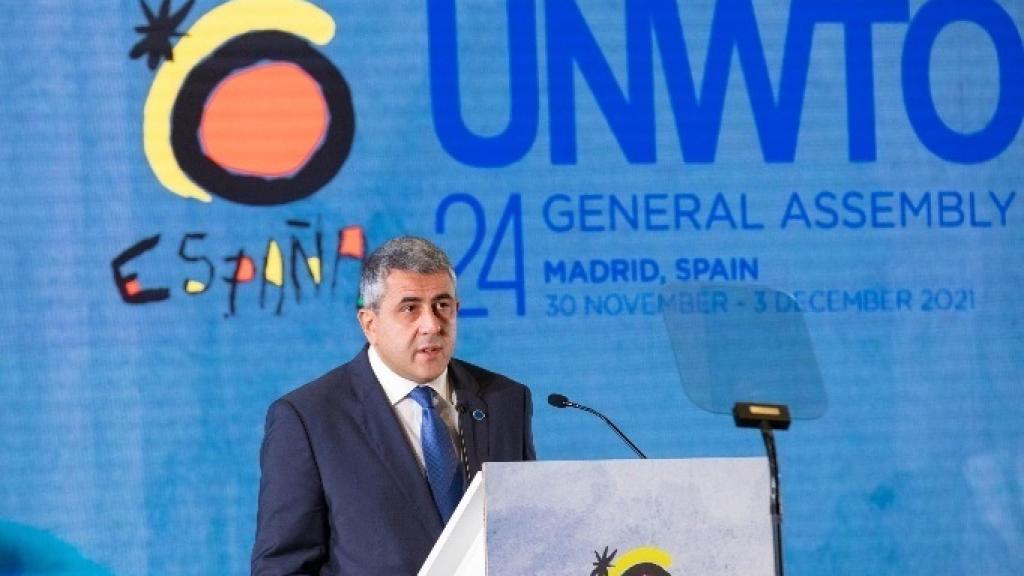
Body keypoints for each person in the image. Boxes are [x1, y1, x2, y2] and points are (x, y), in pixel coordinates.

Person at [251, 236, 535, 575]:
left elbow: (527, 535)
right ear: (369, 323)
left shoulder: (506, 401)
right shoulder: (309, 420)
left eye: (442, 305)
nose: (431, 324)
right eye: (410, 308)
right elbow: (283, 567)